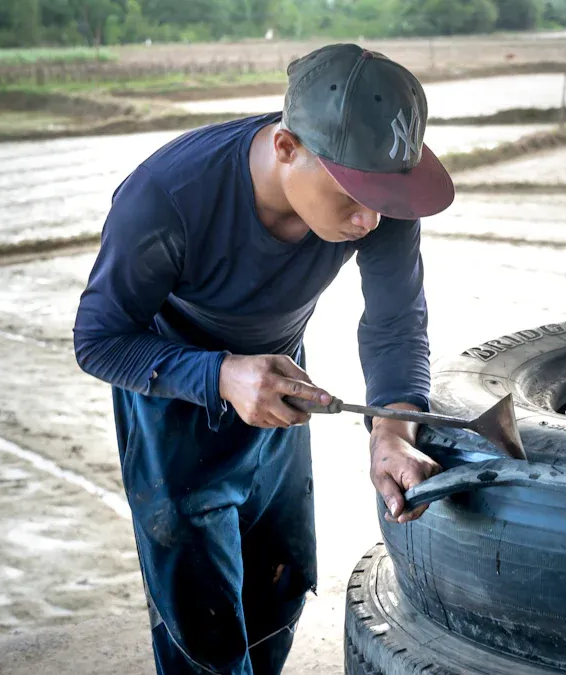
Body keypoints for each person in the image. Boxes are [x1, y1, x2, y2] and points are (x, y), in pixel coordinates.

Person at [71, 43, 453, 675]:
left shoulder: (377, 200)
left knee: (279, 581)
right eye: (353, 195)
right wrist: (221, 374)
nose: (369, 218)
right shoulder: (167, 198)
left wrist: (393, 426)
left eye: (384, 196)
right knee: (203, 622)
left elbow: (395, 321)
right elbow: (99, 338)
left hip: (278, 382)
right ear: (285, 148)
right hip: (173, 397)